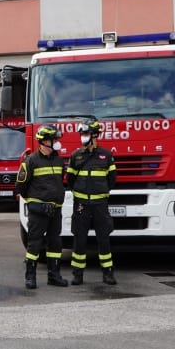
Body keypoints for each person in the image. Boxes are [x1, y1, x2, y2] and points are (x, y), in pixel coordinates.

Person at [16, 124, 69, 289]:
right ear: (45, 141)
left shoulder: (59, 160)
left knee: (55, 243)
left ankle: (54, 275)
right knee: (34, 244)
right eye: (54, 140)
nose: (57, 143)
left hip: (55, 210)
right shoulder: (31, 161)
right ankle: (30, 277)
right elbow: (21, 187)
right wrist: (36, 204)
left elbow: (60, 182)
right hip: (38, 211)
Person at [66, 118, 117, 285]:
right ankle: (77, 274)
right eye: (82, 134)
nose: (83, 137)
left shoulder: (106, 156)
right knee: (79, 238)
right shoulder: (76, 156)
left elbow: (112, 180)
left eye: (86, 133)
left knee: (104, 238)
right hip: (81, 205)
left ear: (95, 135)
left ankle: (108, 273)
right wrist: (80, 195)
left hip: (100, 205)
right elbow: (70, 180)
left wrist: (100, 193)